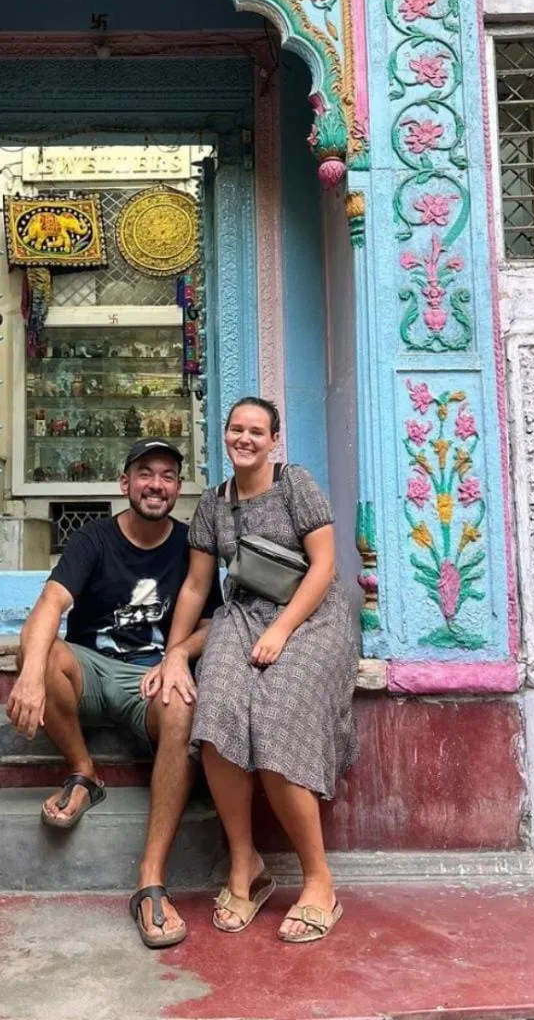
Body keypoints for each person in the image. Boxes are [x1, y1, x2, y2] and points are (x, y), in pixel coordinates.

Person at [146, 397, 358, 943]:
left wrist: (282, 629)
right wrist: (175, 652)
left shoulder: (296, 484)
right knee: (214, 718)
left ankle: (318, 882)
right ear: (225, 435)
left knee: (275, 715)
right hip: (240, 616)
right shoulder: (214, 504)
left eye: (256, 431)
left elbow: (326, 566)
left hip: (311, 616)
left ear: (274, 440)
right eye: (236, 429)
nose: (245, 438)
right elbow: (196, 586)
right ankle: (247, 865)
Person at [6, 437, 222, 949]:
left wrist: (177, 656)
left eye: (168, 475)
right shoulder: (94, 540)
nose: (156, 484)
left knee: (181, 708)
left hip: (151, 677)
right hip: (92, 669)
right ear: (124, 483)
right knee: (38, 652)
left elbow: (214, 622)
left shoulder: (193, 545)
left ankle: (150, 878)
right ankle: (84, 771)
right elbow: (49, 606)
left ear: (178, 488)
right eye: (145, 473)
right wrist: (31, 675)